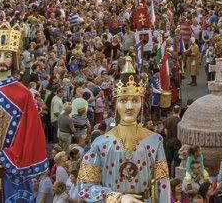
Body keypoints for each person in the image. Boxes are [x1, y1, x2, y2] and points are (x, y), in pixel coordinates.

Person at [72, 56, 171, 203]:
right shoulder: (100, 144)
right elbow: (84, 187)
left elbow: (162, 184)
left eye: (135, 100)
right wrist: (116, 197)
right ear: (116, 104)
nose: (129, 107)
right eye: (124, 100)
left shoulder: (155, 141)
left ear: (142, 103)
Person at [0, 23, 48, 203]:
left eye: (6, 55)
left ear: (14, 58)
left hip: (9, 167)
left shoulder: (23, 93)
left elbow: (29, 135)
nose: (1, 60)